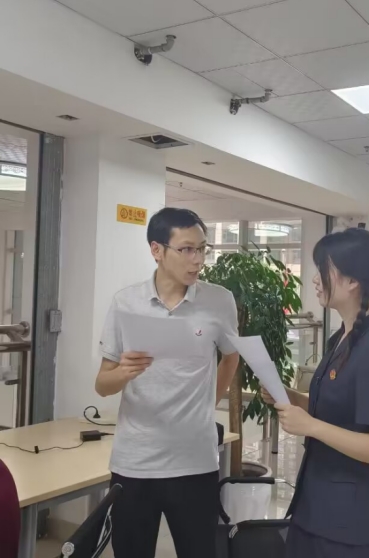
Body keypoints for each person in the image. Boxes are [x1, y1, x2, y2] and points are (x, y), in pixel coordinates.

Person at [95, 208, 239, 558]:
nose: (198, 259)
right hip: (135, 462)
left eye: (202, 249)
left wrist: (208, 403)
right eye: (187, 249)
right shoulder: (126, 302)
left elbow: (231, 356)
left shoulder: (219, 300)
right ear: (156, 250)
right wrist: (124, 372)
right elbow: (102, 384)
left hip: (196, 461)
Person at [263, 228, 369, 557]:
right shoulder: (343, 337)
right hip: (316, 505)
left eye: (323, 270)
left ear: (352, 281)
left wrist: (311, 426)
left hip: (349, 523)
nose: (315, 280)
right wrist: (291, 398)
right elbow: (338, 410)